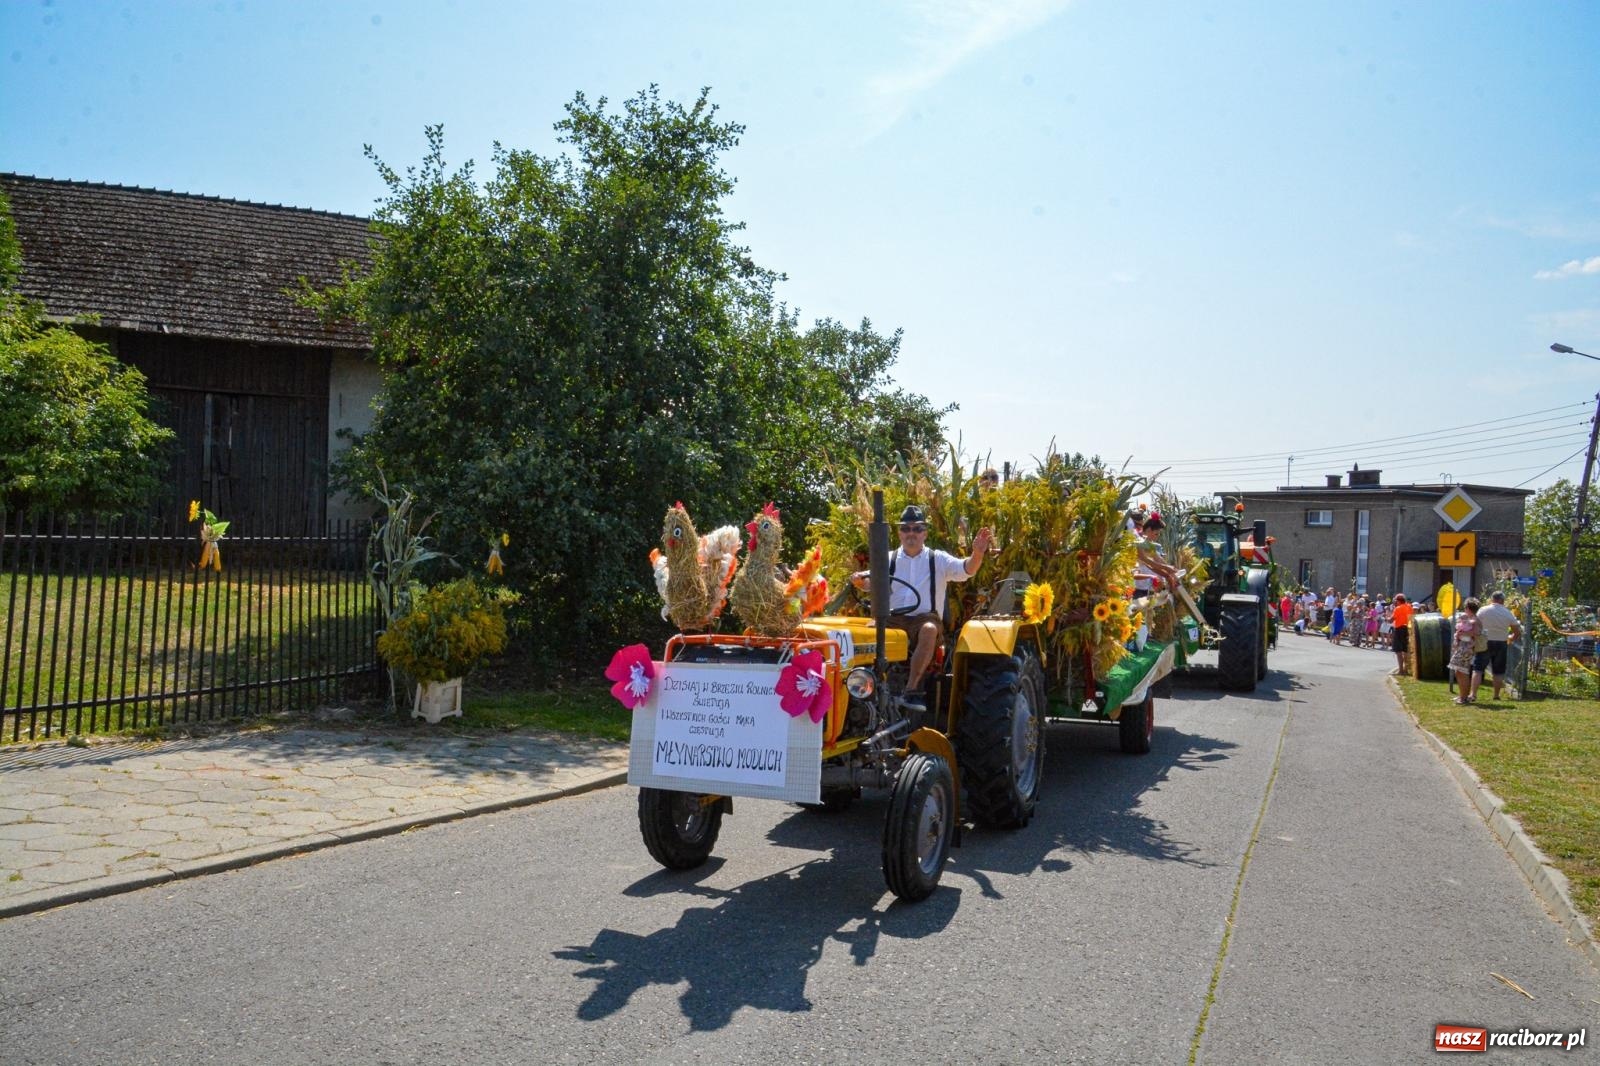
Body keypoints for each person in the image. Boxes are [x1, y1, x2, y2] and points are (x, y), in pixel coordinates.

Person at [850, 504, 992, 710]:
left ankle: (912, 690)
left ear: (924, 533)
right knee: (866, 633)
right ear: (899, 533)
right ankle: (862, 689)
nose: (911, 533)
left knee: (928, 630)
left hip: (925, 618)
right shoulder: (887, 558)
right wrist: (859, 581)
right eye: (906, 528)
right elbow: (871, 583)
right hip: (892, 619)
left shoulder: (938, 559)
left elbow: (966, 570)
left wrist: (977, 553)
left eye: (917, 529)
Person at [1472, 590, 1523, 701]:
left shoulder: (1483, 610)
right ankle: (1496, 695)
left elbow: (1475, 624)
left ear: (1492, 599)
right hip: (1501, 642)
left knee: (1478, 669)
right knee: (1498, 671)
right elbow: (1517, 631)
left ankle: (1473, 694)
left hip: (1485, 641)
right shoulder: (1507, 612)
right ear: (1503, 600)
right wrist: (1511, 638)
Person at [1449, 597, 1483, 705]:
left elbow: (1477, 633)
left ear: (1468, 608)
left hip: (1467, 648)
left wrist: (1462, 633)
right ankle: (1462, 695)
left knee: (1462, 671)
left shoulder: (1475, 620)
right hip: (1463, 646)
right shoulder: (1469, 618)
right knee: (1459, 671)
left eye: (1465, 608)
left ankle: (1464, 698)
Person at [1389, 594, 1413, 675]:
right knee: (1405, 649)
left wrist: (1387, 618)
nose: (1395, 602)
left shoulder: (1397, 608)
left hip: (1399, 629)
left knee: (1398, 650)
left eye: (1396, 600)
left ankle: (1401, 670)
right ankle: (1406, 669)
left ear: (1399, 601)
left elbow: (1391, 620)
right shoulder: (1409, 607)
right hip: (1407, 629)